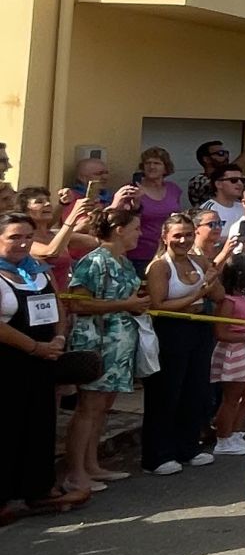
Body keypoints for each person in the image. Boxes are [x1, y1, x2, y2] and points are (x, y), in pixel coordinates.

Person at [0, 212, 88, 519]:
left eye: (27, 236)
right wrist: (35, 347)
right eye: (14, 237)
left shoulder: (38, 270)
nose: (23, 243)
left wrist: (59, 340)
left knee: (40, 424)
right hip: (9, 363)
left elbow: (58, 309)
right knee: (7, 427)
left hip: (43, 360)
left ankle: (37, 487)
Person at [60, 206, 149, 497]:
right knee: (89, 407)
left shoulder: (121, 261)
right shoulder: (94, 261)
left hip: (119, 342)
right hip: (96, 340)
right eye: (135, 228)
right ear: (119, 230)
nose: (140, 234)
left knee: (102, 407)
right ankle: (76, 472)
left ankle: (92, 464)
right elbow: (78, 303)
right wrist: (124, 305)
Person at [140, 212, 224, 476]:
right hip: (171, 330)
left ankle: (187, 446)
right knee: (167, 391)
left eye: (188, 234)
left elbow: (219, 295)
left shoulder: (199, 259)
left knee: (196, 389)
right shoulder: (159, 266)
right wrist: (196, 295)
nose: (183, 240)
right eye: (177, 235)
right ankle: (157, 454)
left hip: (199, 327)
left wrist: (211, 277)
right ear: (165, 237)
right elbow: (158, 304)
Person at [209, 256, 245, 455]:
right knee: (231, 398)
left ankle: (235, 432)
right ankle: (223, 439)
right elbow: (220, 332)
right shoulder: (228, 302)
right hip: (233, 352)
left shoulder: (242, 298)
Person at [129, 146, 184, 269]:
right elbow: (125, 221)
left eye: (157, 163)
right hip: (140, 253)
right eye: (148, 163)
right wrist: (135, 204)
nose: (152, 167)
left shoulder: (173, 189)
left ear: (166, 167)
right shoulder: (133, 189)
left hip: (169, 252)